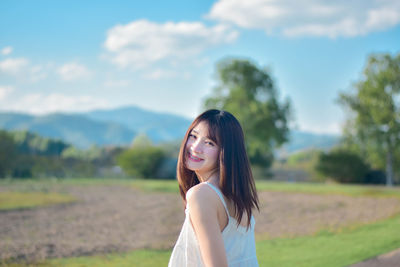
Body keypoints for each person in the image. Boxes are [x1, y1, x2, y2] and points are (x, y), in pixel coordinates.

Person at [168, 109, 259, 267]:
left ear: (226, 152)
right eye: (194, 136)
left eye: (210, 143)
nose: (195, 148)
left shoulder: (202, 195)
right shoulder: (237, 197)